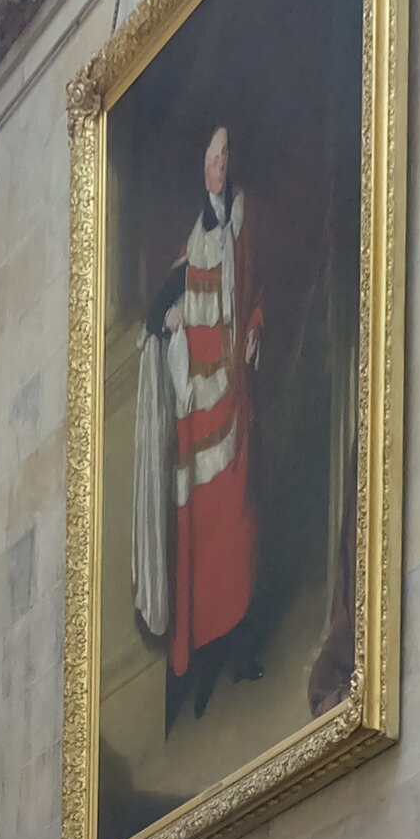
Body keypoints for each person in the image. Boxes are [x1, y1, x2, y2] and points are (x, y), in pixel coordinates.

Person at [130, 124, 265, 727]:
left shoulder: (244, 217)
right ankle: (200, 664)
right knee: (196, 537)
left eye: (226, 156)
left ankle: (237, 651)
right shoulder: (193, 237)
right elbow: (157, 310)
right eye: (211, 157)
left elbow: (259, 287)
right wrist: (172, 316)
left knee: (235, 527)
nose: (219, 165)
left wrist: (256, 324)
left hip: (231, 394)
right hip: (194, 410)